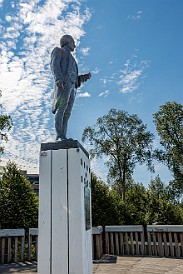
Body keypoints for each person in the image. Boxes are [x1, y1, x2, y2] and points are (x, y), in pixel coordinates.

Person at [50, 34, 91, 141]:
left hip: (72, 87)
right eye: (73, 42)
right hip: (63, 85)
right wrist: (58, 79)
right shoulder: (58, 51)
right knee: (61, 109)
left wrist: (83, 78)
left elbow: (74, 76)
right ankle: (59, 136)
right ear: (67, 42)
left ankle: (63, 135)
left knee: (67, 113)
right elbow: (54, 65)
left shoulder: (73, 60)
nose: (75, 45)